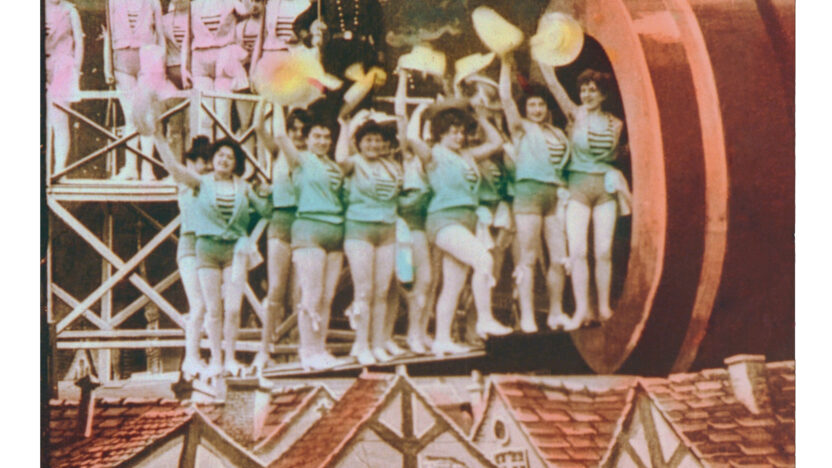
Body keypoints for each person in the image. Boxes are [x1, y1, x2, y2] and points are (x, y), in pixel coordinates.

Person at [152, 115, 271, 376]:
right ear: (213, 159)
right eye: (220, 155)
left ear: (236, 162)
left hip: (235, 250)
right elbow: (175, 169)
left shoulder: (244, 186)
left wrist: (271, 191)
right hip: (206, 249)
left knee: (233, 308)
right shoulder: (200, 183)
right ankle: (216, 360)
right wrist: (158, 137)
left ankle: (230, 359)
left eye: (230, 157)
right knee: (212, 309)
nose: (224, 160)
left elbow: (266, 210)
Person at [408, 89, 513, 356]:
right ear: (441, 133)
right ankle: (485, 319)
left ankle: (442, 339)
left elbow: (497, 142)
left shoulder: (467, 155)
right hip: (444, 220)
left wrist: (481, 117)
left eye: (462, 132)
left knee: (453, 286)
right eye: (453, 132)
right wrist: (421, 112)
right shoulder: (433, 154)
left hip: (466, 221)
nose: (459, 137)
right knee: (484, 261)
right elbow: (412, 138)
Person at [260, 102, 346, 370]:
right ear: (307, 139)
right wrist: (276, 99)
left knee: (326, 297)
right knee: (310, 294)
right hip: (308, 228)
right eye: (316, 136)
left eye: (326, 137)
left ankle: (319, 348)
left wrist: (345, 123)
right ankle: (306, 350)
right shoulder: (298, 159)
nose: (322, 141)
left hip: (335, 230)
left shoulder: (333, 165)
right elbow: (279, 135)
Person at [539, 64, 625, 327]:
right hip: (578, 186)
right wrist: (544, 60)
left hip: (605, 188)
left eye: (592, 90)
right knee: (577, 251)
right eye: (583, 90)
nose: (587, 95)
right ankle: (581, 310)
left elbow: (615, 154)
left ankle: (604, 307)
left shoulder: (616, 123)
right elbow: (554, 87)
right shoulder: (575, 114)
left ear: (603, 94)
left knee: (603, 251)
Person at [498, 54, 572, 332]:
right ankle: (527, 316)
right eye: (532, 105)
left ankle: (556, 312)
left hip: (553, 196)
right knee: (527, 259)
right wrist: (505, 63)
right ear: (525, 108)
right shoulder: (520, 128)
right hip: (528, 194)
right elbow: (505, 97)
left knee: (559, 257)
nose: (537, 109)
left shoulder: (558, 133)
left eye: (541, 104)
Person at [336, 113, 403, 364]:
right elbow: (340, 160)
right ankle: (361, 344)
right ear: (359, 143)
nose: (373, 145)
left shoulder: (392, 166)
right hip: (359, 230)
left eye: (377, 140)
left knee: (382, 291)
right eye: (368, 140)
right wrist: (344, 127)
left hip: (387, 231)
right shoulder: (353, 163)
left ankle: (377, 343)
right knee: (364, 291)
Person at [252, 104, 311, 371]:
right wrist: (270, 99)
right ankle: (265, 349)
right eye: (293, 129)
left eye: (303, 131)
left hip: (304, 221)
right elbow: (258, 127)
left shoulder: (312, 156)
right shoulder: (278, 151)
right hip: (281, 219)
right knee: (275, 288)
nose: (298, 135)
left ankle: (298, 348)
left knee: (299, 292)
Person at [107, 0, 164, 181]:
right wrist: (107, 67)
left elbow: (161, 35)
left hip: (148, 61)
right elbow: (109, 35)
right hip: (122, 63)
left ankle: (147, 168)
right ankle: (130, 167)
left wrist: (161, 65)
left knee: (146, 116)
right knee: (130, 117)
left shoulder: (153, 2)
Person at [173, 136, 213, 379]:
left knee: (210, 305)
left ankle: (203, 357)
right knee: (198, 305)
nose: (207, 166)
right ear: (192, 162)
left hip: (210, 246)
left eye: (209, 162)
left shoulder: (212, 183)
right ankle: (191, 358)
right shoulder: (187, 183)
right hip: (190, 245)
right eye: (202, 161)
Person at [185, 0, 251, 137]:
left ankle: (223, 147)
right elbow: (187, 38)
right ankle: (204, 148)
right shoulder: (194, 4)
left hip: (224, 61)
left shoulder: (230, 2)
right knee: (203, 115)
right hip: (200, 63)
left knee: (223, 113)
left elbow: (247, 11)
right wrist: (184, 68)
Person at [45, 0, 84, 182]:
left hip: (63, 65)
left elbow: (79, 41)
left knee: (59, 118)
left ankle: (60, 169)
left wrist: (76, 68)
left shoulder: (70, 10)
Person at [161, 0, 190, 159]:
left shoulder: (196, 15)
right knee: (174, 125)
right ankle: (175, 167)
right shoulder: (164, 20)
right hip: (171, 76)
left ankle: (192, 166)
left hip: (192, 76)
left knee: (193, 124)